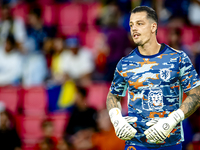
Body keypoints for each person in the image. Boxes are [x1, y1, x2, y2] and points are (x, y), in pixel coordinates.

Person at [106, 6, 200, 150]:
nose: (134, 29)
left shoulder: (178, 58)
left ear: (153, 27)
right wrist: (116, 119)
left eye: (139, 23)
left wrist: (172, 120)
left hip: (169, 143)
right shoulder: (125, 63)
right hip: (136, 144)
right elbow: (113, 96)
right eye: (131, 25)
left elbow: (196, 95)